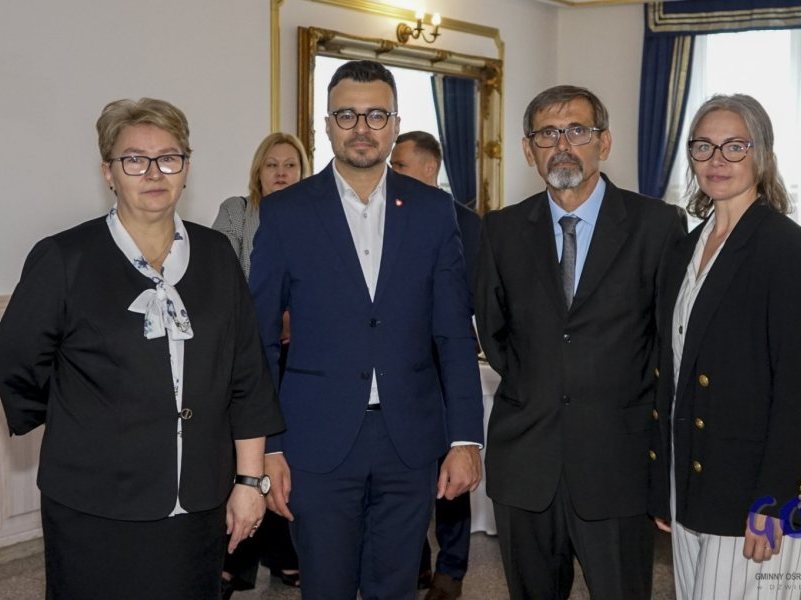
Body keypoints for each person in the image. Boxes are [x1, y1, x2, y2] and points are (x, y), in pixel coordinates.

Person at [0, 98, 284, 600]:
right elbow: (16, 365)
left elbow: (246, 375)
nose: (154, 172)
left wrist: (249, 481)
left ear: (186, 168)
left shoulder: (217, 255)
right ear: (108, 172)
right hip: (94, 503)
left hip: (198, 501)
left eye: (168, 158)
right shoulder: (64, 258)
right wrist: (88, 420)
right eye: (134, 159)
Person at [249, 59, 485, 599]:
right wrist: (269, 447)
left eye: (376, 114)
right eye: (347, 115)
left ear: (395, 123)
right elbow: (259, 340)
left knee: (396, 588)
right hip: (315, 441)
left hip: (409, 442)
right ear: (327, 125)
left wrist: (465, 439)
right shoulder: (286, 213)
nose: (362, 127)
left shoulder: (433, 211)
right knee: (325, 586)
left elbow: (453, 334)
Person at [474, 85, 685, 599]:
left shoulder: (657, 224)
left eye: (577, 130)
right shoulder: (501, 229)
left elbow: (668, 342)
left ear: (604, 142)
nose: (562, 144)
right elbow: (494, 332)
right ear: (529, 150)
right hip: (526, 463)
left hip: (618, 463)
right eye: (547, 133)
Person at [649, 94, 801, 600]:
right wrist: (662, 483)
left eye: (735, 146)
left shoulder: (785, 249)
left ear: (762, 154)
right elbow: (670, 375)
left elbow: (794, 388)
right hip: (688, 479)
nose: (717, 160)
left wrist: (773, 499)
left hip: (750, 490)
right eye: (704, 146)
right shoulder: (683, 249)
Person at [212, 132, 310, 596]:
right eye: (272, 165)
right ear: (258, 170)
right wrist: (269, 315)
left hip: (300, 356)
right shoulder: (238, 211)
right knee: (248, 453)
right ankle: (235, 558)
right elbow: (219, 276)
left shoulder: (317, 216)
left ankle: (285, 554)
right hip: (246, 350)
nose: (281, 173)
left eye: (290, 165)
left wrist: (295, 317)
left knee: (287, 454)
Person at [390, 130, 480, 600]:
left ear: (429, 168)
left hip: (447, 371)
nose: (393, 173)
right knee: (408, 475)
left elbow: (478, 300)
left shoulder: (468, 225)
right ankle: (417, 562)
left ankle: (452, 568)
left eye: (401, 165)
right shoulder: (386, 216)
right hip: (401, 372)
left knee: (452, 476)